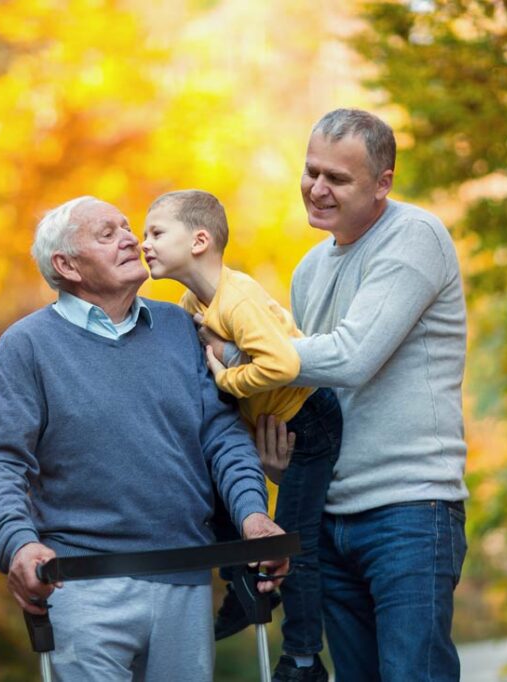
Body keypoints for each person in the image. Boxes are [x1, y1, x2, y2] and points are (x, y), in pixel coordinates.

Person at [201, 108, 469, 681]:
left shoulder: (414, 237)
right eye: (311, 171)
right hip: (328, 517)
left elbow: (352, 356)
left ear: (383, 182)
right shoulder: (308, 269)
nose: (317, 189)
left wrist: (240, 358)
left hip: (410, 512)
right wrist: (283, 463)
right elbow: (314, 398)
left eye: (338, 179)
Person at [0, 196, 288, 682]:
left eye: (128, 227)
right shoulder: (26, 347)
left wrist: (253, 515)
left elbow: (222, 436)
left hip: (186, 578)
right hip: (80, 587)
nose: (131, 239)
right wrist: (18, 545)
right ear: (66, 265)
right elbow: (0, 463)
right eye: (107, 234)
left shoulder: (181, 328)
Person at [141, 189, 342, 682]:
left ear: (199, 240)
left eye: (155, 233)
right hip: (274, 419)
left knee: (294, 539)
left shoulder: (238, 299)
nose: (143, 243)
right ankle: (240, 587)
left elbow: (284, 363)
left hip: (309, 416)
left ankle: (302, 659)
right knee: (214, 493)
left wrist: (229, 379)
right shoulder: (195, 300)